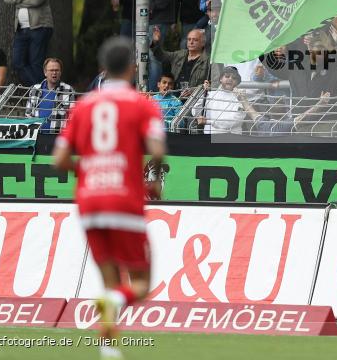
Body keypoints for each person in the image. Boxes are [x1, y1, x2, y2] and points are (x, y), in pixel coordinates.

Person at [53, 37, 166, 360]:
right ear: (133, 67)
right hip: (124, 201)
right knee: (140, 285)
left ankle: (107, 346)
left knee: (111, 282)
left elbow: (59, 160)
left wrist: (86, 171)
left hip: (89, 203)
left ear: (103, 69)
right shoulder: (143, 104)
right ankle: (111, 320)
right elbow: (157, 149)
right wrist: (154, 180)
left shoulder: (83, 106)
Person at [3, 0, 54, 85]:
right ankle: (40, 90)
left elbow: (37, 0)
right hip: (21, 28)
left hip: (40, 26)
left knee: (36, 63)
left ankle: (41, 95)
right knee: (17, 62)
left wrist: (17, 1)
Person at [150, 26, 210, 94]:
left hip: (194, 100)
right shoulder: (180, 54)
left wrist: (193, 92)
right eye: (189, 39)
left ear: (203, 43)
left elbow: (210, 83)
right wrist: (155, 42)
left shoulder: (207, 61)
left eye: (195, 40)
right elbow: (162, 56)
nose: (191, 42)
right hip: (174, 98)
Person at [25, 57, 75, 133]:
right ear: (45, 72)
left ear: (60, 72)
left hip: (58, 136)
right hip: (37, 136)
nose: (54, 73)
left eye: (57, 70)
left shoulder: (68, 90)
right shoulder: (35, 89)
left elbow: (73, 117)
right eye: (51, 70)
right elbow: (28, 115)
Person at [193, 66, 244, 134]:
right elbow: (195, 111)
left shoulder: (241, 97)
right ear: (220, 79)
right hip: (208, 138)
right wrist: (204, 93)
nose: (230, 79)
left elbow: (235, 120)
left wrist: (208, 122)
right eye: (227, 76)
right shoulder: (210, 94)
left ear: (237, 82)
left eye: (234, 78)